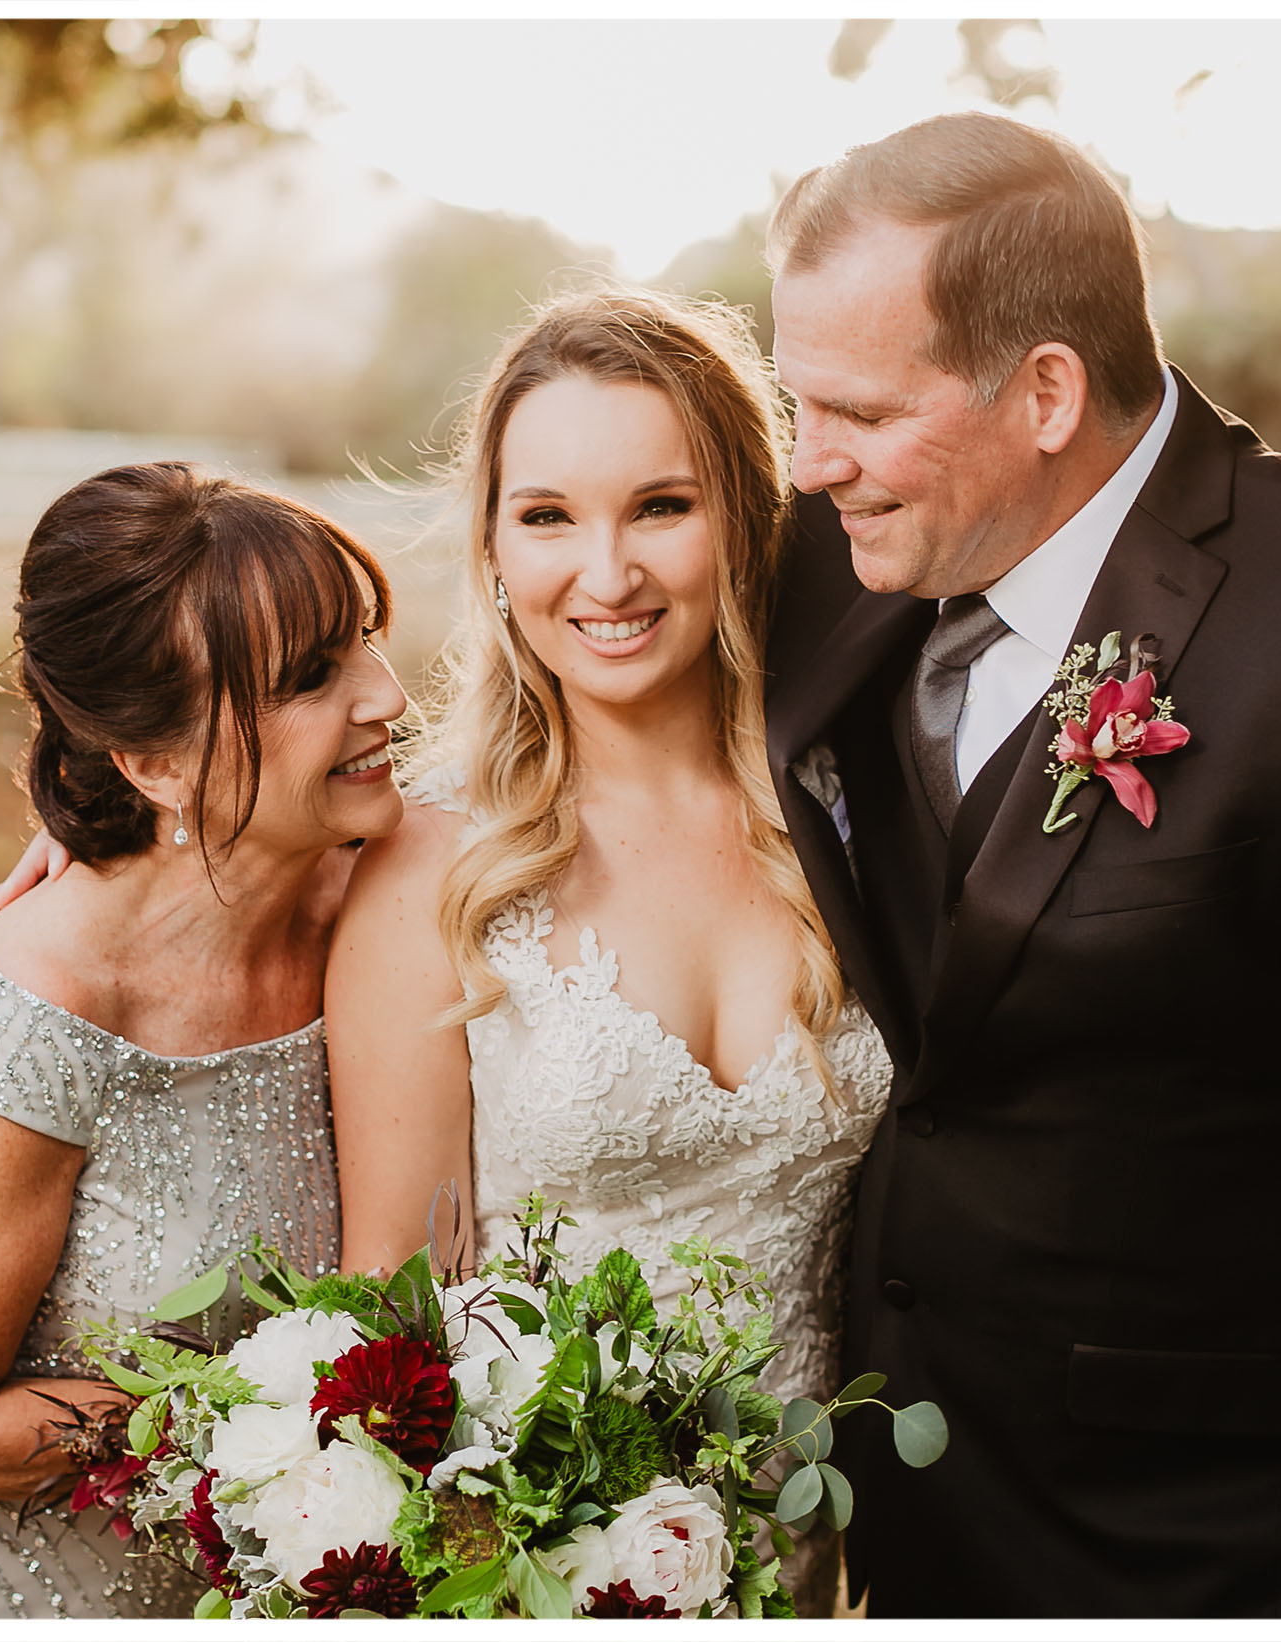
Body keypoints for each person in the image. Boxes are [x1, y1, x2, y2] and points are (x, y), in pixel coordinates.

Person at [758, 113, 1281, 1618]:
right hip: (906, 1522)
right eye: (793, 403)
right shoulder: (837, 557)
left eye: (860, 411)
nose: (811, 462)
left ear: (1044, 392)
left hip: (1225, 1543)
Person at [327, 289, 891, 1616]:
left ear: (748, 518)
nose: (606, 573)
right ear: (492, 545)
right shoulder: (433, 871)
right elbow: (388, 1317)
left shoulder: (863, 819)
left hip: (808, 1559)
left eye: (660, 505)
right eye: (547, 516)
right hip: (527, 1571)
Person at [0, 466, 406, 1618]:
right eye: (312, 677)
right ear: (158, 762)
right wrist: (285, 1411)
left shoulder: (379, 882)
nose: (385, 697)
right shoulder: (51, 1002)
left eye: (367, 640)